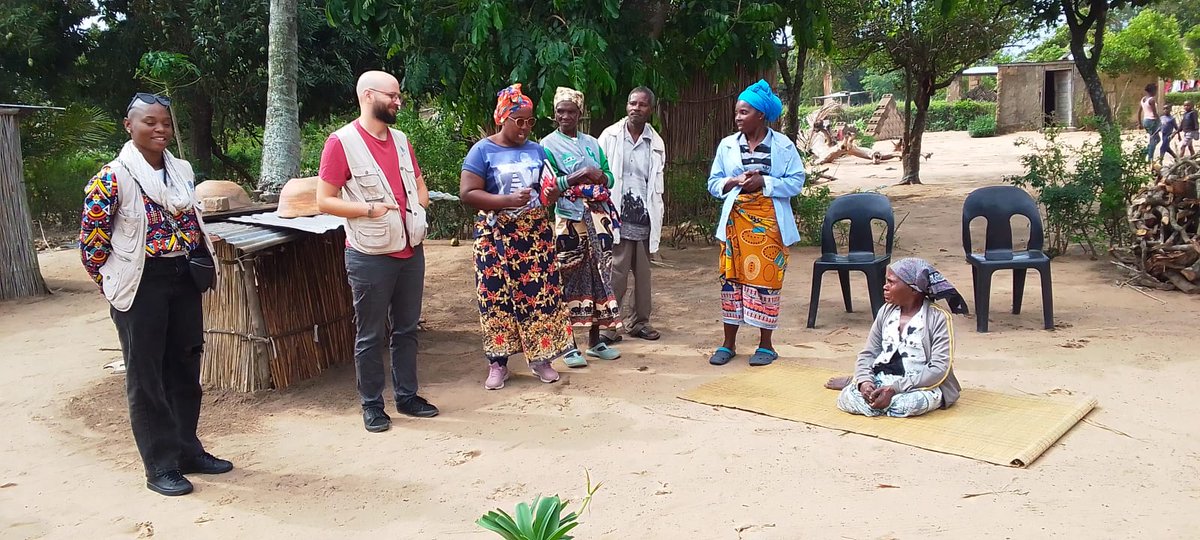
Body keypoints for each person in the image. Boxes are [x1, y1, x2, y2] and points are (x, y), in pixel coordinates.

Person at [79, 92, 232, 496]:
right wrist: (115, 285)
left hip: (182, 277)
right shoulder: (112, 178)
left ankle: (187, 450)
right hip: (139, 283)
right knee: (146, 377)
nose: (160, 129)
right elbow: (92, 246)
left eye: (165, 122)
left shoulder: (180, 171)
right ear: (129, 126)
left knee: (185, 366)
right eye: (150, 121)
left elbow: (193, 222)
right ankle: (160, 466)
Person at [315, 71, 438, 433]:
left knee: (406, 329)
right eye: (393, 95)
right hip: (369, 253)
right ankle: (372, 404)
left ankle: (407, 396)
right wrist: (368, 211)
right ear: (369, 96)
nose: (399, 102)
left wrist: (419, 205)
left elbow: (418, 183)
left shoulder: (401, 140)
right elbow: (324, 200)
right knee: (370, 333)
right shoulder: (341, 142)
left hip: (409, 249)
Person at [461, 83, 577, 390]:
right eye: (519, 121)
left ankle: (542, 359)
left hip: (535, 239)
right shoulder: (483, 150)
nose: (525, 127)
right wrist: (505, 201)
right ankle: (498, 364)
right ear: (503, 118)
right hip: (496, 240)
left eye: (530, 121)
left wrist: (550, 194)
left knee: (539, 297)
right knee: (496, 298)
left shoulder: (538, 151)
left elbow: (546, 191)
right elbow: (468, 193)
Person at [706, 79, 806, 367]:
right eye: (737, 112)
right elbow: (713, 183)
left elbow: (796, 182)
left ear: (761, 115)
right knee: (731, 281)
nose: (738, 117)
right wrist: (733, 182)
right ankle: (728, 344)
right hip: (735, 222)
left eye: (744, 112)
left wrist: (765, 181)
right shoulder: (727, 146)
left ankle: (766, 345)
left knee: (766, 281)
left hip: (769, 221)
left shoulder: (783, 146)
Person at [542, 87, 623, 367]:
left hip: (598, 219)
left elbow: (609, 177)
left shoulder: (592, 143)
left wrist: (601, 177)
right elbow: (550, 185)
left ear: (580, 113)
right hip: (568, 220)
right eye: (560, 111)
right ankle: (569, 345)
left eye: (571, 111)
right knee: (568, 278)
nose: (565, 116)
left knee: (599, 276)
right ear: (554, 114)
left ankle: (595, 341)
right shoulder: (547, 145)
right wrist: (582, 175)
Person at [830, 258, 969, 417]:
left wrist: (895, 389)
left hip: (919, 386)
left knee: (907, 405)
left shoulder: (939, 318)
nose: (885, 287)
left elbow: (939, 368)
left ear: (914, 289)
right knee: (847, 398)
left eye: (891, 282)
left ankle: (878, 400)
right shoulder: (886, 311)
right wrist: (865, 382)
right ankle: (863, 387)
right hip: (882, 380)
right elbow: (868, 353)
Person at [598, 87, 667, 344]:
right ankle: (609, 326)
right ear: (626, 106)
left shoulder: (655, 142)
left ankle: (640, 322)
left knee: (643, 275)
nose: (636, 108)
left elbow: (655, 185)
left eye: (642, 105)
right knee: (616, 271)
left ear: (651, 110)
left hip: (644, 218)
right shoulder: (610, 136)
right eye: (632, 103)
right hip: (617, 215)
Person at [1142, 83, 1160, 162]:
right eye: (1155, 90)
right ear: (1152, 90)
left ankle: (1144, 153)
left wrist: (1140, 122)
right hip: (1152, 121)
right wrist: (1159, 121)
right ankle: (1150, 158)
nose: (1156, 92)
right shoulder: (1151, 100)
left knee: (1155, 139)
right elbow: (1154, 113)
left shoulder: (1143, 99)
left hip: (1145, 120)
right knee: (1154, 140)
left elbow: (1139, 111)